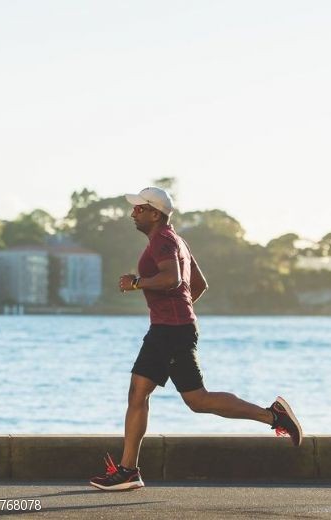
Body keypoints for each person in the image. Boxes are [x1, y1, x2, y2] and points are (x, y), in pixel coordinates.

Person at [89, 186, 303, 491]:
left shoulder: (163, 240)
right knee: (156, 396)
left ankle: (273, 416)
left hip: (169, 331)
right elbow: (198, 285)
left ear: (155, 213)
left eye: (139, 208)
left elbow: (173, 279)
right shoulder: (177, 241)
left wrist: (137, 283)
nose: (133, 212)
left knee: (189, 399)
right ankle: (129, 471)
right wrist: (178, 310)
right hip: (171, 328)